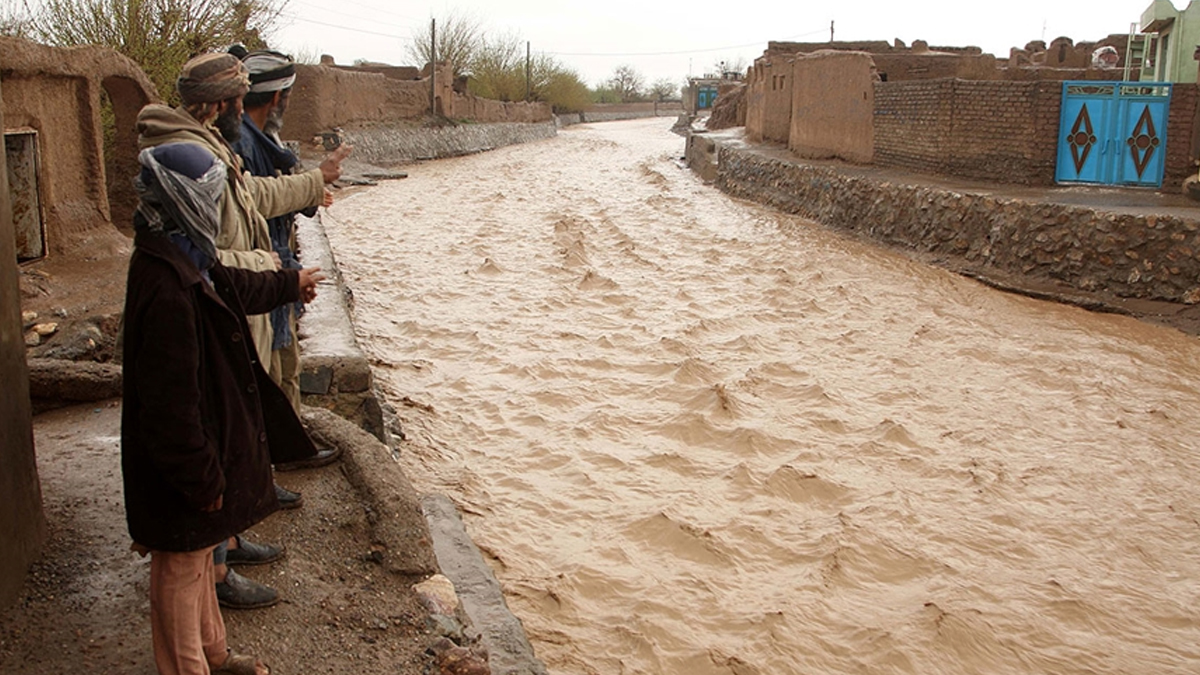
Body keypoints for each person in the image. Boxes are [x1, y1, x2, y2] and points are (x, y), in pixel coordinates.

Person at [135, 51, 343, 609]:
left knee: (235, 422)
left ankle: (226, 541)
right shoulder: (194, 156)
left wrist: (306, 186)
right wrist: (275, 271)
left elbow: (246, 202)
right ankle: (217, 570)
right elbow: (211, 254)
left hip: (235, 298)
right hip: (225, 304)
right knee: (220, 428)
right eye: (239, 96)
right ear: (228, 102)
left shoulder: (205, 141)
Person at [121, 140, 325, 675]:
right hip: (183, 462)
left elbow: (230, 284)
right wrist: (201, 476)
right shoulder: (166, 285)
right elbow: (170, 408)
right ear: (184, 199)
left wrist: (288, 283)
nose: (215, 207)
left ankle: (214, 655)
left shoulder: (180, 254)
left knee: (196, 558)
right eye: (209, 196)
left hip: (197, 452)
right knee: (181, 567)